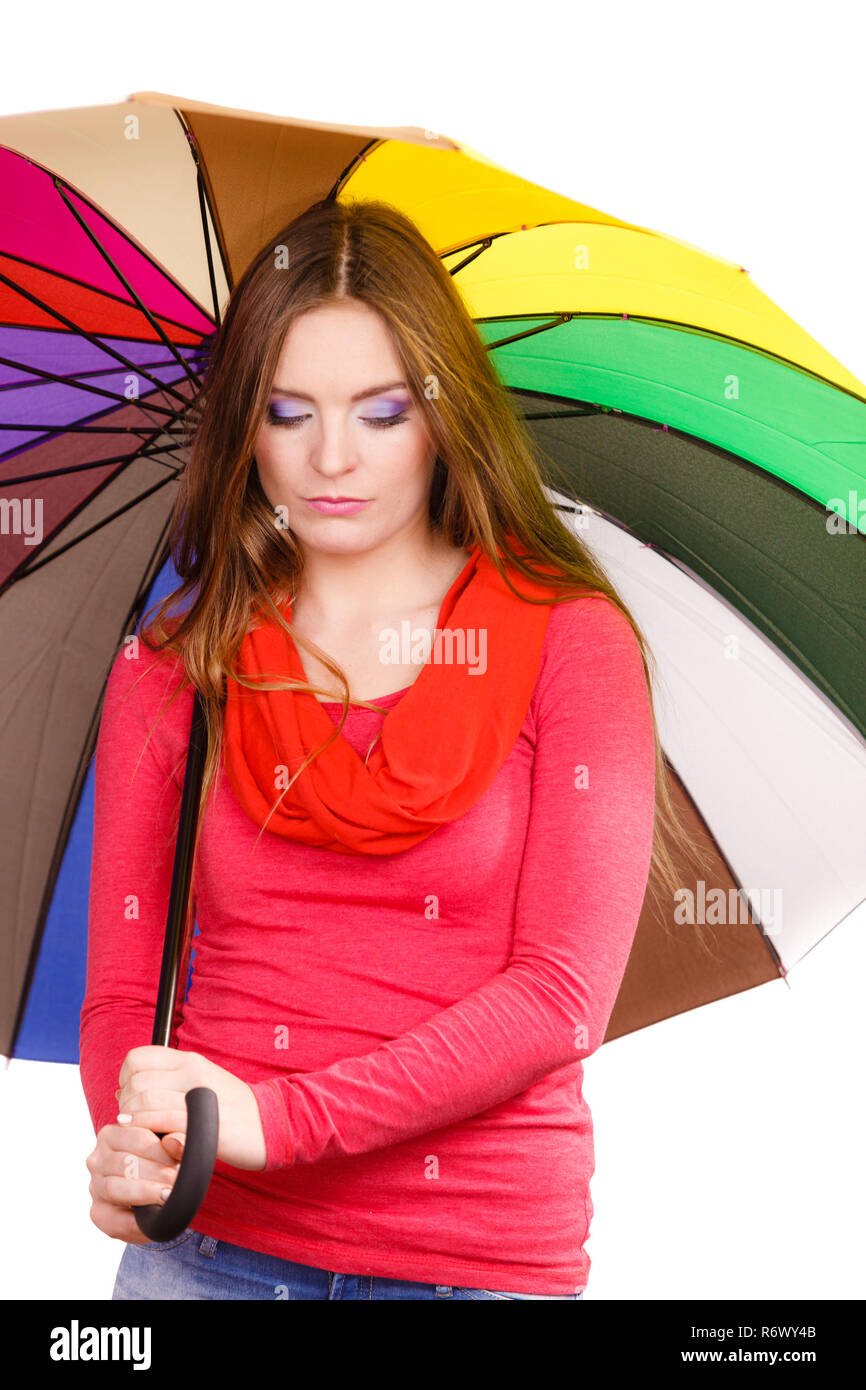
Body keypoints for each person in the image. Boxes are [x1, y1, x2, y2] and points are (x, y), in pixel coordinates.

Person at [80, 198, 689, 1300]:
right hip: (206, 1254)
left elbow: (558, 997)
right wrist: (131, 1145)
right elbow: (124, 998)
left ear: (442, 414)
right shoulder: (173, 663)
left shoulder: (569, 642)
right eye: (285, 409)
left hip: (476, 1264)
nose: (328, 458)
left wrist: (272, 1119)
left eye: (379, 411)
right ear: (241, 426)